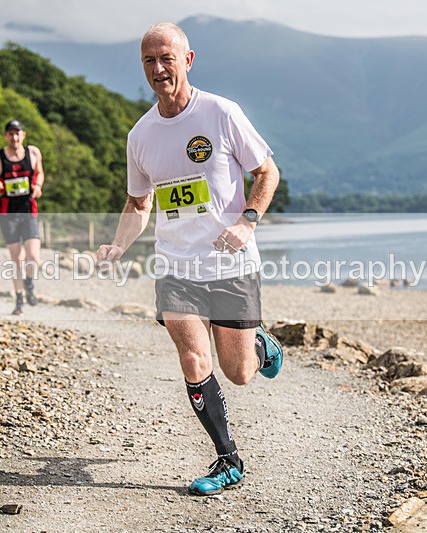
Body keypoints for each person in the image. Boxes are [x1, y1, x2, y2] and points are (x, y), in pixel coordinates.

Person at [97, 22, 283, 496]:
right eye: (150, 60)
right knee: (194, 358)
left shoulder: (221, 113)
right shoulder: (141, 135)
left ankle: (262, 348)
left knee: (239, 373)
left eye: (167, 58)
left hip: (231, 264)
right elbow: (139, 203)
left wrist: (247, 222)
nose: (159, 68)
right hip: (176, 267)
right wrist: (118, 245)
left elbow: (267, 172)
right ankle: (228, 459)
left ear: (188, 60)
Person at [0, 119, 45, 315]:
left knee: (33, 257)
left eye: (17, 133)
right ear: (6, 136)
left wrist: (38, 186)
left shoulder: (33, 153)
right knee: (17, 259)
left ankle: (29, 282)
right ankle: (19, 300)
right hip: (8, 213)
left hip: (28, 210)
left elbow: (40, 173)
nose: (14, 137)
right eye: (11, 133)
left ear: (23, 135)